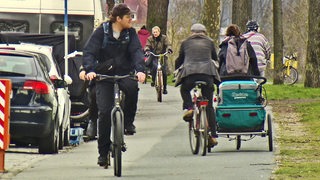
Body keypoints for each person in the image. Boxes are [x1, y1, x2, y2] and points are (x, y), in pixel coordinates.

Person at [82, 3, 146, 167]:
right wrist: (89, 70)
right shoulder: (101, 31)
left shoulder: (130, 33)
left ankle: (128, 122)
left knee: (132, 89)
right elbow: (89, 52)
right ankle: (103, 153)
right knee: (104, 112)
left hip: (125, 72)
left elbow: (137, 52)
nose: (131, 20)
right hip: (104, 75)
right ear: (118, 18)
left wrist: (140, 70)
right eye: (128, 17)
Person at [175, 23, 220, 147]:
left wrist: (176, 70)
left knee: (184, 90)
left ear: (192, 32)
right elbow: (215, 59)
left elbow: (180, 59)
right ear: (204, 32)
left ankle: (189, 108)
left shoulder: (185, 42)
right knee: (209, 105)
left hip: (190, 74)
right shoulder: (210, 42)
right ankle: (213, 134)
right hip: (207, 75)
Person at [144, 26, 173, 94]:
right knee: (154, 68)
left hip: (162, 55)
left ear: (159, 32)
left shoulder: (164, 38)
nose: (155, 33)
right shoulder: (150, 38)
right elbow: (147, 45)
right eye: (154, 32)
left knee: (164, 72)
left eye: (156, 32)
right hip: (154, 56)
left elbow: (168, 44)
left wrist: (169, 49)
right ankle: (154, 81)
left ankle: (165, 88)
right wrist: (147, 50)